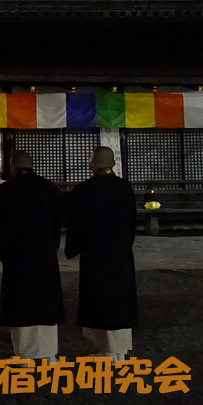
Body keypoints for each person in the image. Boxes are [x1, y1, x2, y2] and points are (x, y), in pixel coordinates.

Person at [0, 150, 64, 363]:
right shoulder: (48, 188)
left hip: (17, 257)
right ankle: (49, 353)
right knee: (46, 301)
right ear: (32, 166)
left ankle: (24, 354)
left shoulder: (6, 190)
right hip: (44, 255)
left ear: (13, 167)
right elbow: (59, 219)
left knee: (20, 302)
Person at [65, 146, 137, 362]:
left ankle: (105, 347)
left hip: (95, 256)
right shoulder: (125, 188)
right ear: (113, 164)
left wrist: (73, 247)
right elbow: (132, 223)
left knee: (99, 302)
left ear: (93, 163)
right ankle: (119, 351)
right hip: (121, 256)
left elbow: (76, 223)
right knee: (120, 301)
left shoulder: (85, 189)